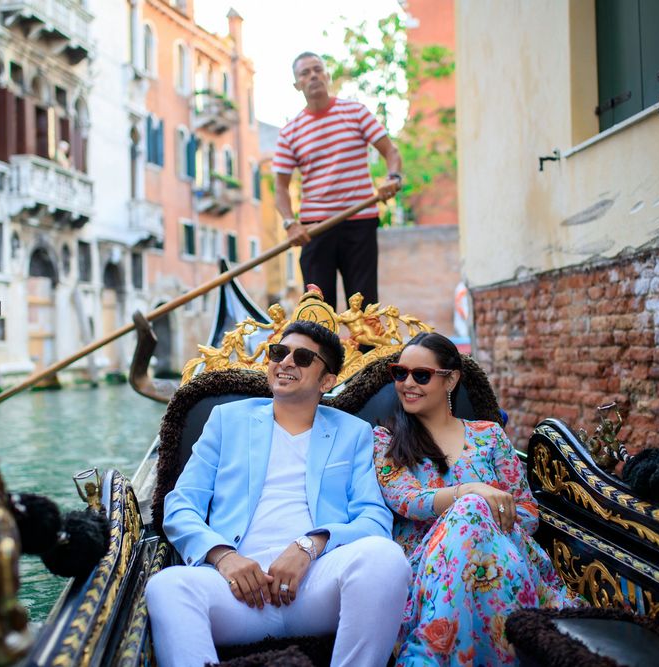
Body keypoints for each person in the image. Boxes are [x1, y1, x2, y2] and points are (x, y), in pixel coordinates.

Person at [146, 320, 411, 667]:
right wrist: (225, 557)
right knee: (167, 587)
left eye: (302, 358)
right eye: (278, 352)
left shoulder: (354, 433)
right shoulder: (226, 420)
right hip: (237, 593)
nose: (285, 362)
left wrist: (309, 546)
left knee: (385, 558)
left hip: (314, 587)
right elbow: (180, 506)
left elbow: (374, 519)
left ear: (327, 381)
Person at [373, 332, 580, 666]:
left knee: (473, 512)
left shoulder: (489, 434)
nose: (407, 383)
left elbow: (527, 513)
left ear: (451, 379)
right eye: (400, 373)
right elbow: (407, 500)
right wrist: (469, 492)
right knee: (470, 506)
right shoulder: (387, 439)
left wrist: (481, 517)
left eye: (421, 375)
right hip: (426, 570)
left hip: (503, 555)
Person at [273, 51, 403, 312]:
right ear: (297, 84)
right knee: (318, 310)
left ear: (327, 75)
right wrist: (290, 224)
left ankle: (370, 354)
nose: (313, 76)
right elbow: (280, 187)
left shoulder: (355, 112)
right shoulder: (290, 132)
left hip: (360, 221)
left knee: (364, 308)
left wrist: (393, 178)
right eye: (305, 73)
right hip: (315, 229)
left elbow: (391, 152)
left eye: (317, 70)